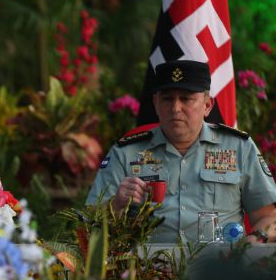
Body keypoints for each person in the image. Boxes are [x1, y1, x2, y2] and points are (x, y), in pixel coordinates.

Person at [86, 59, 276, 244]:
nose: (176, 108)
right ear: (156, 104)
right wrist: (116, 205)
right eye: (167, 99)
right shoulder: (125, 152)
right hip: (145, 270)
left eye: (186, 98)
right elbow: (88, 222)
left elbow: (269, 217)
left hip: (220, 268)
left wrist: (253, 243)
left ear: (207, 105)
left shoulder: (239, 147)